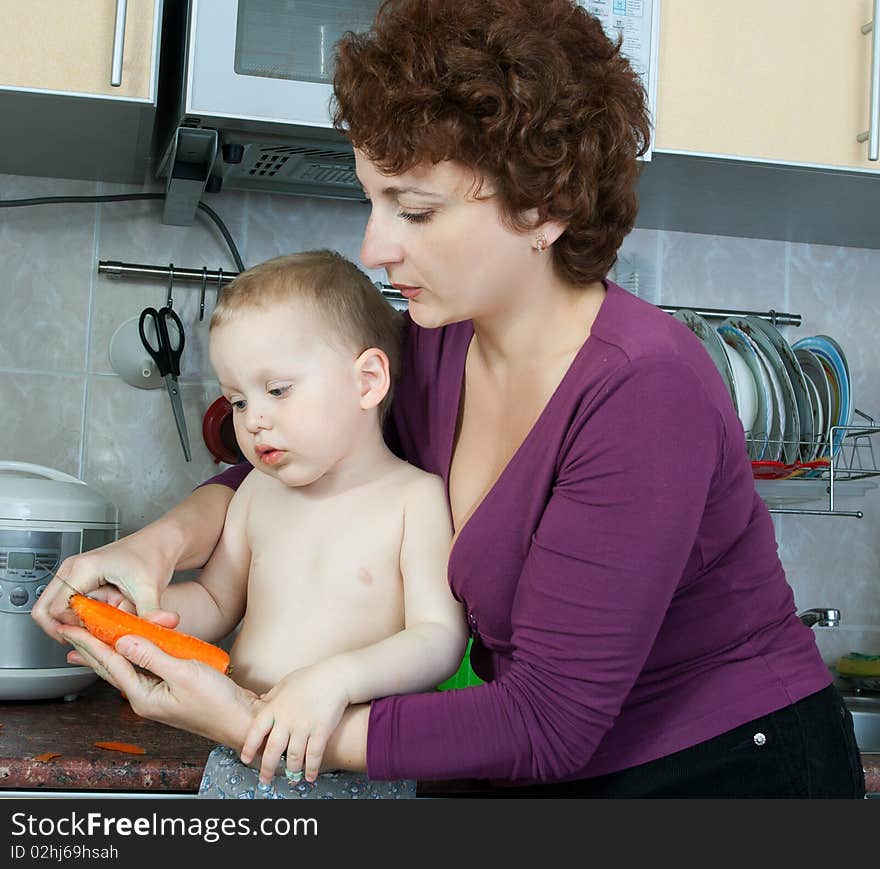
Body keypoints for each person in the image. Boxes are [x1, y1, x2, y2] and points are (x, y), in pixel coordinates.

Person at [33, 0, 864, 798]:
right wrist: (155, 545)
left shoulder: (646, 390)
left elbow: (549, 720)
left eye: (415, 209)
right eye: (373, 199)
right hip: (551, 779)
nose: (375, 245)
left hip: (722, 778)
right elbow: (307, 457)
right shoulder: (435, 347)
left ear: (548, 205)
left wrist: (251, 721)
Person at [67, 249, 468, 799]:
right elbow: (215, 600)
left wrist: (335, 680)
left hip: (353, 775)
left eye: (277, 390)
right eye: (237, 400)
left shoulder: (414, 499)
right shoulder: (256, 491)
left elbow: (439, 638)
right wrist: (140, 617)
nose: (253, 420)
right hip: (236, 760)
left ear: (367, 381)